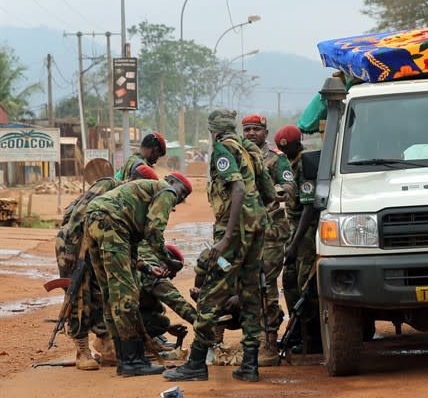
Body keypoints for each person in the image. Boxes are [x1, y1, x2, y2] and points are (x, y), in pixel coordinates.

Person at [163, 106, 274, 383]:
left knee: (211, 294)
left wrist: (227, 238)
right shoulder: (249, 149)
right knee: (250, 295)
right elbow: (270, 194)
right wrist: (252, 221)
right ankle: (250, 364)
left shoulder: (224, 150)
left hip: (234, 232)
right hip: (256, 229)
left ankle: (197, 362)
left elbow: (236, 188)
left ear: (213, 131)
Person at [83, 171, 192, 377]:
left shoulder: (141, 197)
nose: (178, 202)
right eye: (182, 194)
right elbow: (154, 231)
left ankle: (124, 360)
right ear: (173, 184)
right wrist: (169, 261)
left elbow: (129, 251)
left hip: (95, 219)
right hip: (111, 223)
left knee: (111, 295)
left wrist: (148, 268)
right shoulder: (166, 191)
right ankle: (132, 362)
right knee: (126, 296)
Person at [54, 164, 159, 370]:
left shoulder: (127, 204)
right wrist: (70, 249)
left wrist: (144, 267)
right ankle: (82, 351)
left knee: (101, 294)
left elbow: (123, 247)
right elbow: (78, 212)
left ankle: (106, 344)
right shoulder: (109, 184)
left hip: (94, 245)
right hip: (73, 244)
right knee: (79, 295)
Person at [242, 113, 296, 366]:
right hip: (243, 230)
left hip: (271, 231)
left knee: (266, 282)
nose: (251, 133)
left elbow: (289, 187)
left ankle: (269, 339)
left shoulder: (276, 159)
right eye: (247, 130)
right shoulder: (237, 158)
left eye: (256, 129)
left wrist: (265, 194)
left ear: (265, 132)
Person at [274, 125, 322, 354]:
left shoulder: (305, 164)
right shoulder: (290, 164)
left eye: (289, 148)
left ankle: (314, 339)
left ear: (298, 143)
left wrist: (293, 245)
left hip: (306, 233)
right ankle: (298, 333)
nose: (286, 152)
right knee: (290, 282)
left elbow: (309, 207)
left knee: (306, 286)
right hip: (294, 231)